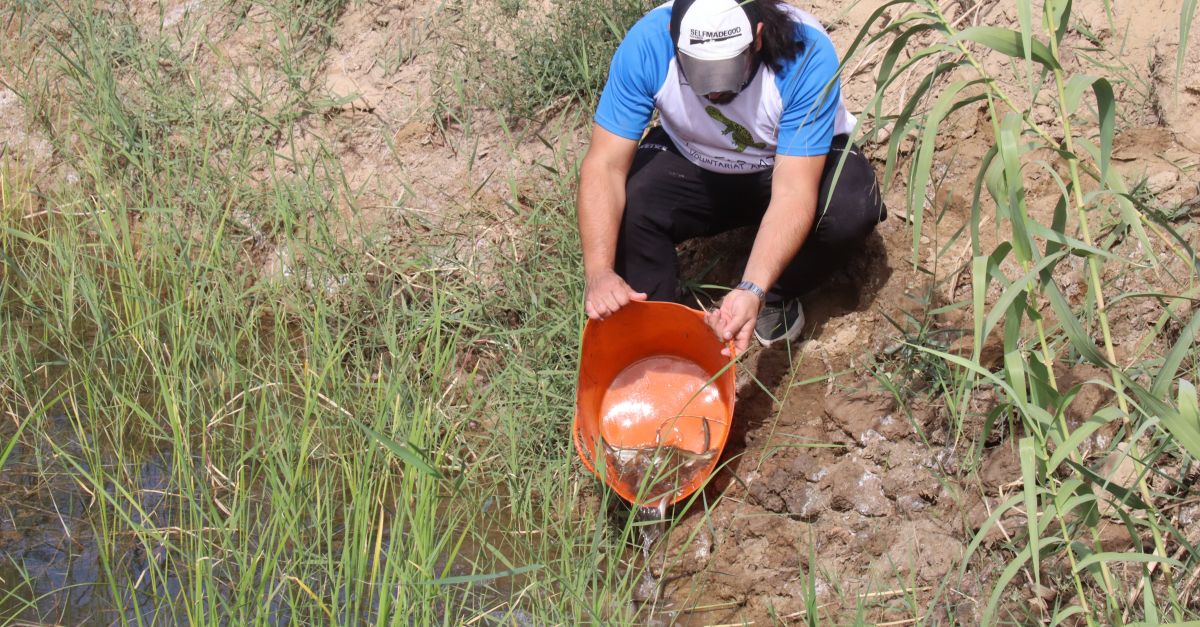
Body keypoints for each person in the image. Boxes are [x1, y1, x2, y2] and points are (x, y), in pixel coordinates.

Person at [577, 0, 885, 355]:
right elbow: (604, 165)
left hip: (787, 167)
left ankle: (775, 294)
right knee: (632, 200)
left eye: (727, 71)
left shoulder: (804, 51)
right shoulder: (647, 44)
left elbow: (794, 193)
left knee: (852, 208)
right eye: (699, 73)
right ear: (672, 39)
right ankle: (662, 328)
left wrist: (753, 288)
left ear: (756, 38)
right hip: (695, 162)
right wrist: (599, 272)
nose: (714, 92)